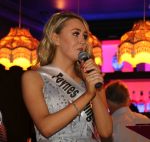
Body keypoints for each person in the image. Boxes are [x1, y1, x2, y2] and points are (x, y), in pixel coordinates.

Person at [22, 11, 112, 142]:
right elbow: (46, 128)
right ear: (55, 38)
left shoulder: (90, 79)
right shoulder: (33, 77)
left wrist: (95, 90)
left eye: (85, 36)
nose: (82, 41)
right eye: (76, 34)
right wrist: (87, 95)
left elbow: (106, 132)